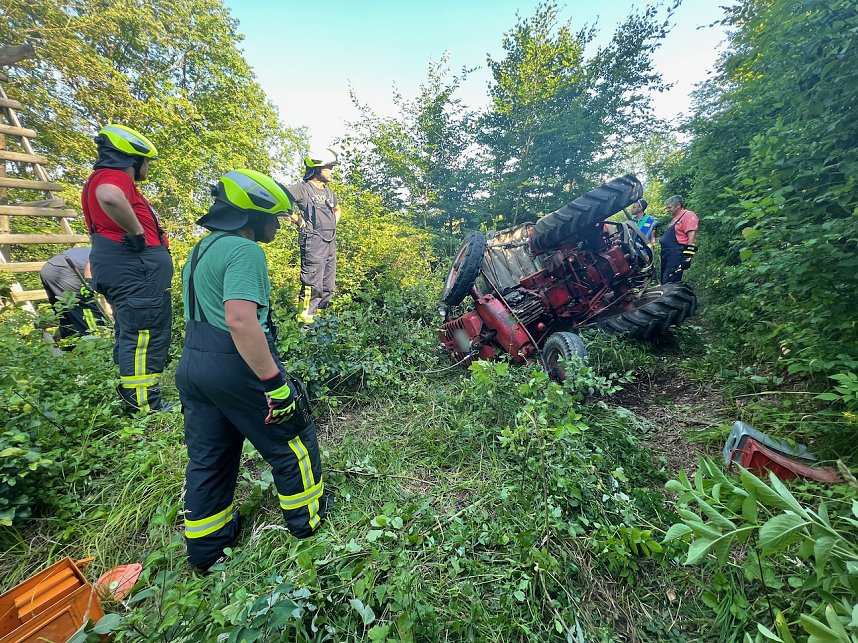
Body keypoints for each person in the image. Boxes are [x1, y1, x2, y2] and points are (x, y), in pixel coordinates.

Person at [176, 169, 329, 572]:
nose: (278, 225)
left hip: (193, 364)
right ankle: (308, 521)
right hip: (235, 365)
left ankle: (208, 550)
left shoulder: (201, 249)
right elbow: (241, 321)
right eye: (273, 217)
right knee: (292, 439)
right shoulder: (245, 251)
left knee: (210, 459)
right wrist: (274, 383)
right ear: (252, 214)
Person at [81, 124, 174, 413]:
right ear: (133, 160)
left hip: (124, 267)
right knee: (144, 332)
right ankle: (144, 406)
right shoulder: (113, 177)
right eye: (146, 162)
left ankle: (133, 396)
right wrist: (137, 233)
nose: (147, 167)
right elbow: (109, 195)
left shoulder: (100, 178)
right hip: (135, 269)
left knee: (132, 329)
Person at [285, 149, 342, 325]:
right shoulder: (302, 188)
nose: (331, 171)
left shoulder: (328, 191)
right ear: (317, 168)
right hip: (313, 243)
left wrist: (331, 226)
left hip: (329, 242)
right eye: (328, 167)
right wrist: (298, 220)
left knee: (328, 287)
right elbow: (280, 202)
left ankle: (320, 324)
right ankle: (305, 327)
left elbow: (338, 210)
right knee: (312, 286)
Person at [39, 246, 105, 339]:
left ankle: (68, 343)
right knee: (87, 309)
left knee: (65, 312)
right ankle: (97, 340)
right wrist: (89, 284)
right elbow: (90, 265)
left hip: (48, 268)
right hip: (66, 270)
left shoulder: (102, 248)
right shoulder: (116, 255)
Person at [659, 195, 699, 284]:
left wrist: (687, 256)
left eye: (669, 207)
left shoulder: (688, 215)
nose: (667, 210)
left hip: (676, 254)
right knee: (664, 281)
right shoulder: (675, 218)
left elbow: (691, 236)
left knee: (670, 281)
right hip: (667, 254)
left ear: (678, 205)